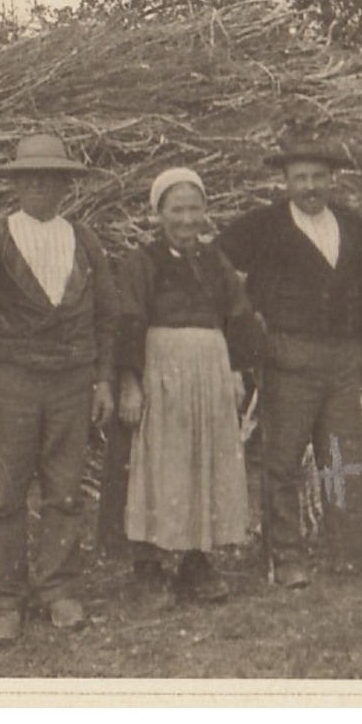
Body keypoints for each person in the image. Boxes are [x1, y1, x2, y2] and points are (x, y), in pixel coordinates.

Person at [0, 133, 120, 645]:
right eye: (29, 176)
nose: (40, 184)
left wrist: (104, 379)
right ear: (16, 183)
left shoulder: (84, 239)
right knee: (4, 494)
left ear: (66, 184)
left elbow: (107, 316)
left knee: (65, 491)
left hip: (72, 381)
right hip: (11, 381)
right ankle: (4, 598)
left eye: (51, 176)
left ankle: (58, 588)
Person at [214, 128, 362, 588]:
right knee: (283, 460)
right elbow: (218, 267)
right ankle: (287, 559)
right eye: (300, 177)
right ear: (285, 181)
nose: (310, 186)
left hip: (344, 358)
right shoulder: (264, 224)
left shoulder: (349, 223)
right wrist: (248, 318)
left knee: (342, 455)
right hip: (287, 355)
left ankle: (350, 552)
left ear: (333, 180)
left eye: (318, 177)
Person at [118, 167, 258, 602]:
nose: (186, 220)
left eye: (194, 209)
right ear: (159, 214)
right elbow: (128, 322)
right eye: (176, 210)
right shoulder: (142, 263)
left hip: (210, 375)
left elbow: (237, 316)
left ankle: (197, 563)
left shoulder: (216, 262)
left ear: (205, 213)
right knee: (161, 465)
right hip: (164, 376)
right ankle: (149, 566)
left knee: (206, 461)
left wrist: (235, 373)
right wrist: (130, 382)